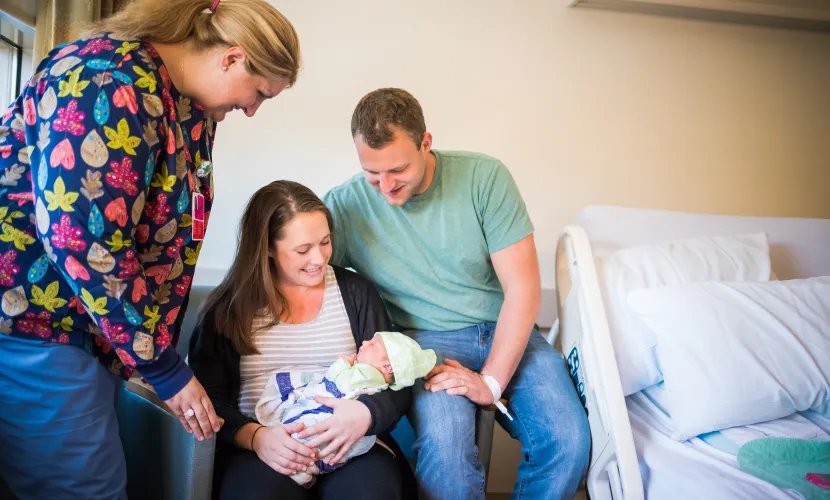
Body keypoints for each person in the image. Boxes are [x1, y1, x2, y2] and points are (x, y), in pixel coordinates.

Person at [0, 1, 300, 498]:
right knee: (88, 491)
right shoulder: (107, 81)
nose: (251, 109)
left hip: (99, 331)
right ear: (231, 58)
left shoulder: (190, 108)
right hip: (37, 321)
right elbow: (83, 240)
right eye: (259, 94)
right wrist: (162, 364)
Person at [323, 88, 592, 499]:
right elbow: (305, 275)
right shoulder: (346, 205)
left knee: (568, 442)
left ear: (426, 143)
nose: (386, 187)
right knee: (446, 451)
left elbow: (523, 290)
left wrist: (492, 382)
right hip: (423, 343)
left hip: (505, 327)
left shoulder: (484, 178)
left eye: (397, 170)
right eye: (372, 173)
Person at [188, 181, 415, 500]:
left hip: (352, 446)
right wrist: (256, 437)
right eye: (302, 249)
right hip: (264, 449)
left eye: (325, 242)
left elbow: (399, 381)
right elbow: (208, 401)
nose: (319, 258)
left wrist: (365, 415)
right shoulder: (228, 310)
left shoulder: (356, 294)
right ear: (267, 247)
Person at [254, 331, 436, 487]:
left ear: (386, 366)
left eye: (373, 344)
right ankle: (303, 467)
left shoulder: (367, 374)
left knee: (307, 432)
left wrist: (342, 364)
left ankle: (300, 464)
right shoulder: (369, 374)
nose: (364, 342)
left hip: (333, 414)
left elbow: (342, 382)